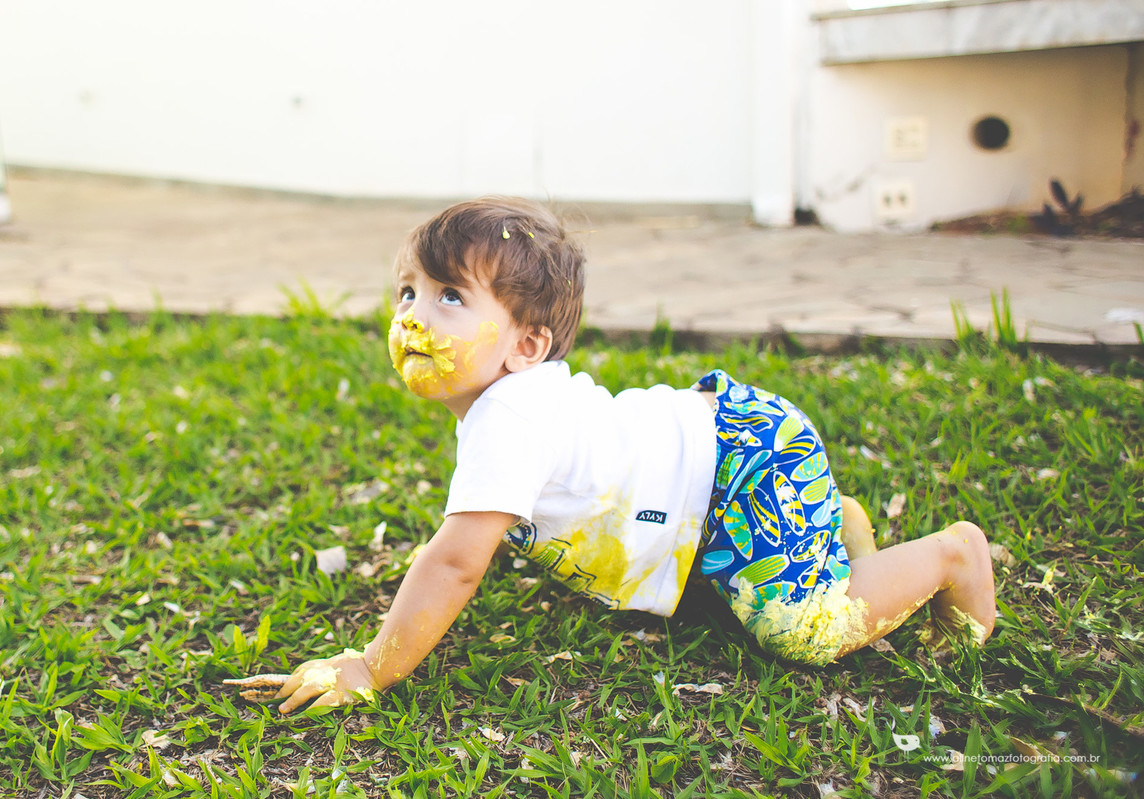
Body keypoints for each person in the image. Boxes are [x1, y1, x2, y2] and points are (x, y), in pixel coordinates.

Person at [270, 197, 996, 713]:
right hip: (719, 458)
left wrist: (371, 667)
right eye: (407, 292)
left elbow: (455, 561)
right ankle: (835, 525)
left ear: (527, 346)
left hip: (744, 463)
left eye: (449, 297)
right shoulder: (510, 404)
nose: (412, 316)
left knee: (802, 630)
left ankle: (951, 556)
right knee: (727, 600)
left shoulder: (510, 415)